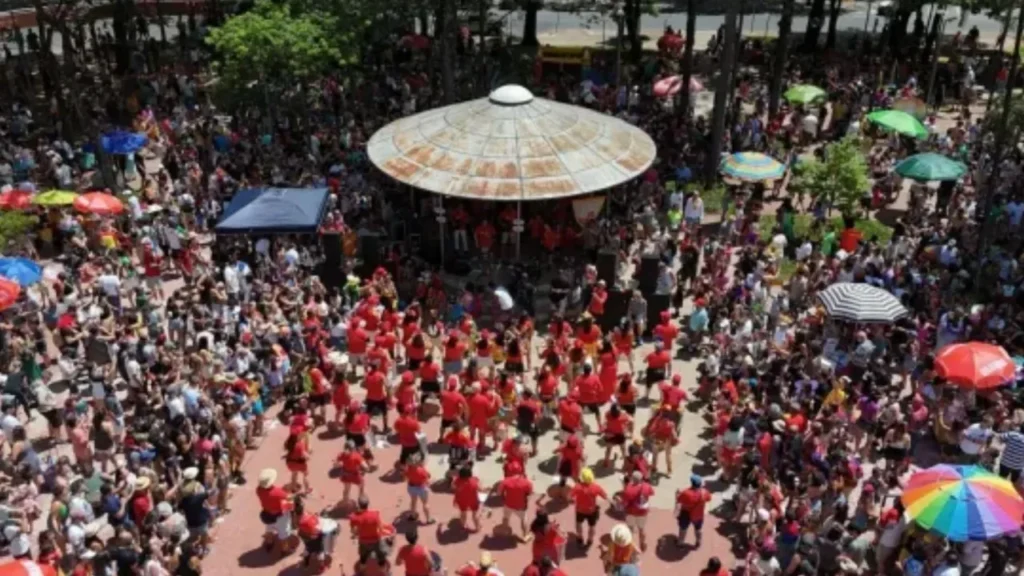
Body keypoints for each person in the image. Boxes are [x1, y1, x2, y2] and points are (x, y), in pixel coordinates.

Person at [675, 474, 712, 547]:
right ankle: (698, 542)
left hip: (686, 514)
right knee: (698, 529)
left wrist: (677, 494)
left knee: (683, 529)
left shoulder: (686, 493)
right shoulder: (704, 492)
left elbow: (679, 501)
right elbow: (709, 499)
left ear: (692, 483)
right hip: (699, 514)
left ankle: (680, 542)